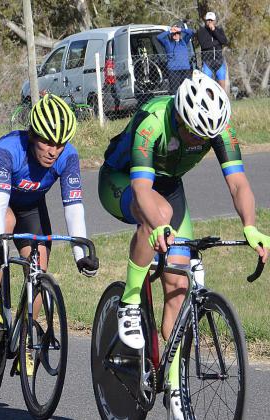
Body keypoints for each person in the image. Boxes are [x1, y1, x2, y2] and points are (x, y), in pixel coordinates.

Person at [98, 71, 268, 419]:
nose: (198, 142)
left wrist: (250, 226)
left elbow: (238, 184)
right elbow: (144, 192)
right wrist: (158, 225)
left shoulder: (218, 127)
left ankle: (174, 386)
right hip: (122, 180)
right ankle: (129, 303)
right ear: (179, 116)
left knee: (178, 284)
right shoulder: (153, 122)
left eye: (205, 137)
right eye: (193, 133)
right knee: (158, 212)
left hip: (169, 184)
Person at [0, 94, 98, 347]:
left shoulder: (68, 156)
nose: (53, 151)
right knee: (5, 224)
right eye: (47, 142)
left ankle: (27, 334)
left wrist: (81, 253)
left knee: (39, 264)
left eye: (60, 144)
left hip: (29, 204)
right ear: (32, 135)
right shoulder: (8, 149)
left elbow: (73, 207)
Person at [157, 22, 195, 94]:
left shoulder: (184, 41)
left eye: (177, 33)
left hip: (185, 70)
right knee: (175, 91)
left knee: (187, 90)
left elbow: (191, 32)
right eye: (174, 33)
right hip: (173, 71)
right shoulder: (167, 43)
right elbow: (159, 37)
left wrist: (180, 29)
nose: (176, 34)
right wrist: (170, 31)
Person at [196, 12, 229, 91]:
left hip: (219, 61)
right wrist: (218, 42)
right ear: (205, 21)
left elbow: (224, 41)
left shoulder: (219, 30)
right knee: (207, 85)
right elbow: (204, 45)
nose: (210, 21)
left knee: (222, 84)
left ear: (215, 21)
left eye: (211, 20)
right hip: (207, 62)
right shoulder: (201, 31)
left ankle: (222, 101)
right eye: (208, 20)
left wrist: (214, 31)